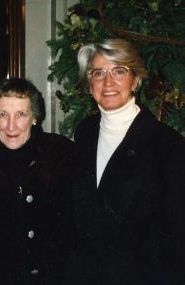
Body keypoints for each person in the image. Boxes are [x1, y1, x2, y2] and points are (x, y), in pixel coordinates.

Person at [65, 38, 185, 284]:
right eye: (98, 73)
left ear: (136, 80)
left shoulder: (167, 145)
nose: (108, 82)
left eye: (119, 71)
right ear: (90, 85)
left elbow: (175, 239)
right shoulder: (85, 132)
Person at [0, 78, 74, 284]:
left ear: (35, 118)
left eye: (21, 114)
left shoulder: (61, 154)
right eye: (3, 115)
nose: (11, 126)